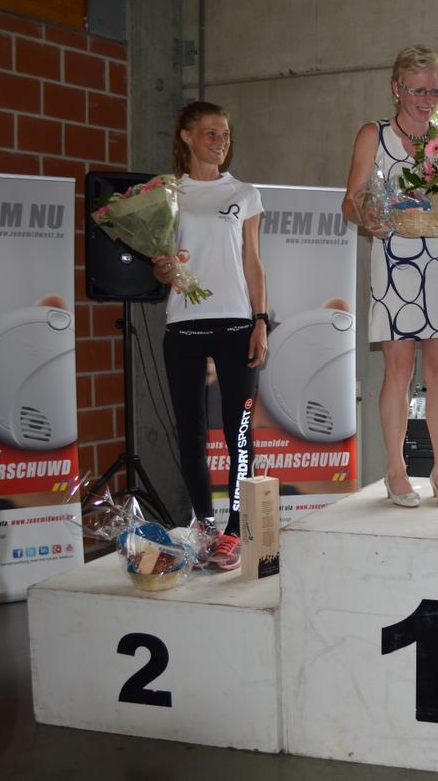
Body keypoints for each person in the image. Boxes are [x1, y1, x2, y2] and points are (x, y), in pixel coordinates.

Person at [342, 45, 438, 509]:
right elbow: (349, 200)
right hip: (394, 261)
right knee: (399, 370)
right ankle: (396, 470)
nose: (428, 99)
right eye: (418, 89)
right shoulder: (374, 134)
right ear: (397, 88)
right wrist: (367, 215)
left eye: (436, 90)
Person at [151, 101, 268, 571]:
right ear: (185, 136)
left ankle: (236, 532)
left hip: (236, 325)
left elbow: (253, 261)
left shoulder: (244, 192)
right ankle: (204, 525)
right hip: (183, 325)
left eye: (224, 132)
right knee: (191, 433)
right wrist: (161, 269)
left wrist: (261, 319)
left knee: (238, 433)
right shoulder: (166, 194)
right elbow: (165, 264)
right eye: (210, 132)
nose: (220, 140)